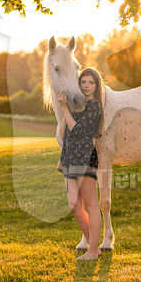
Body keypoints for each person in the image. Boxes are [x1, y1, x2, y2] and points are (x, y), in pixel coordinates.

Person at [56, 67, 105, 261]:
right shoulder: (78, 104)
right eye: (83, 82)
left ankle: (93, 250)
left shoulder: (94, 107)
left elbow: (76, 130)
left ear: (96, 85)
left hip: (84, 157)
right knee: (74, 205)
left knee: (91, 205)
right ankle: (91, 241)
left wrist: (64, 108)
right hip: (70, 157)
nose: (86, 86)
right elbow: (67, 133)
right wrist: (63, 156)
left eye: (90, 83)